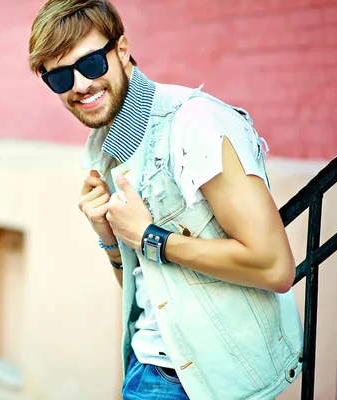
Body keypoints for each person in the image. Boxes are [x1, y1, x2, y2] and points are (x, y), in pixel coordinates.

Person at [28, 1, 304, 399]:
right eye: (58, 77)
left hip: (188, 378)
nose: (79, 85)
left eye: (90, 64)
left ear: (121, 50)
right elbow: (147, 283)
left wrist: (150, 237)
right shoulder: (107, 148)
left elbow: (274, 265)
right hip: (150, 366)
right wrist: (108, 235)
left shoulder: (193, 122)